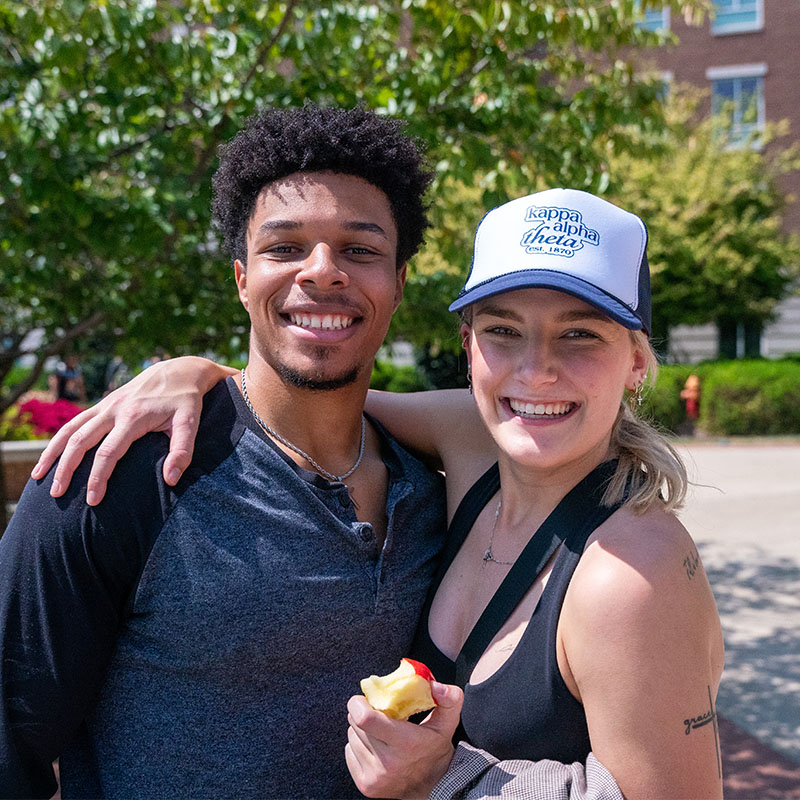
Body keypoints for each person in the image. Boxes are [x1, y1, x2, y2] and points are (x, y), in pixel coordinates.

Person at [32, 190, 725, 798]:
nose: (536, 371)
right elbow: (313, 393)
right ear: (469, 343)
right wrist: (195, 373)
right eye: (504, 331)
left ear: (636, 360)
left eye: (580, 334)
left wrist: (443, 780)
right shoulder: (478, 444)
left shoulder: (632, 573)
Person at [0, 104, 448, 799]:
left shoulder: (432, 493)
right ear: (243, 278)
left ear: (399, 284)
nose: (322, 272)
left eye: (360, 250)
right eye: (285, 247)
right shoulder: (120, 474)